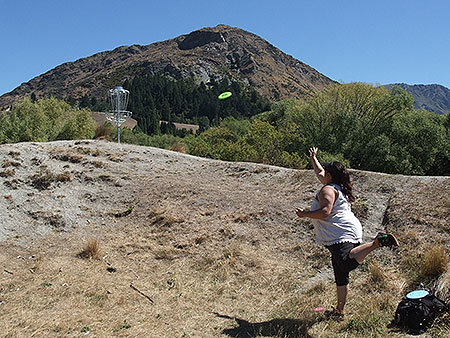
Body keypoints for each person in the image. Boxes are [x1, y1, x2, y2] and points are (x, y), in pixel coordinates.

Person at [295, 147, 399, 316]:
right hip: (345, 230)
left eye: (325, 172)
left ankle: (376, 242)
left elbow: (325, 212)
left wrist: (304, 214)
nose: (322, 174)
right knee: (341, 275)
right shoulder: (336, 186)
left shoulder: (327, 190)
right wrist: (313, 158)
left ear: (330, 175)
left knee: (345, 263)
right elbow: (320, 172)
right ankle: (339, 311)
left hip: (340, 232)